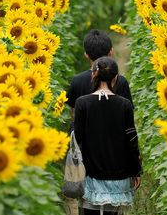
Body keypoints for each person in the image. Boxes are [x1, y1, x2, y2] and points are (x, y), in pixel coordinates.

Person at [74, 56, 141, 215]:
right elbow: (132, 141)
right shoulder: (125, 104)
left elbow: (77, 139)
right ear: (116, 77)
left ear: (93, 75)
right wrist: (136, 171)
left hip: (90, 174)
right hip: (119, 175)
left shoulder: (82, 103)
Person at [66, 29, 133, 122]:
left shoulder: (77, 81)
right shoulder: (120, 81)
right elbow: (127, 115)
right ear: (111, 51)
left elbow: (74, 115)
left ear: (86, 55)